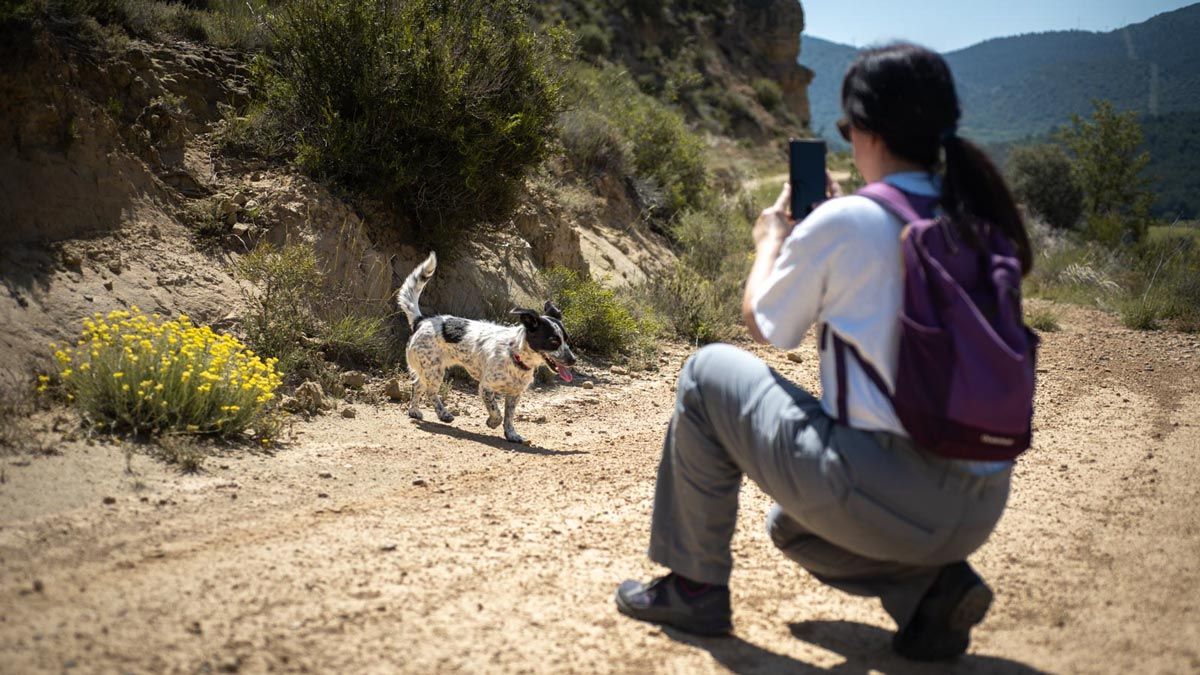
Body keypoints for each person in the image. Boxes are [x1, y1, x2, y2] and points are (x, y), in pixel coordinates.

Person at [614, 43, 1034, 661]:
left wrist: (771, 240)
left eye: (846, 128)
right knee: (794, 530)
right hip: (979, 504)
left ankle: (693, 587)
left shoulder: (845, 224)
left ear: (865, 129)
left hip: (885, 490)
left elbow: (767, 325)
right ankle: (933, 589)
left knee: (705, 374)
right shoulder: (975, 218)